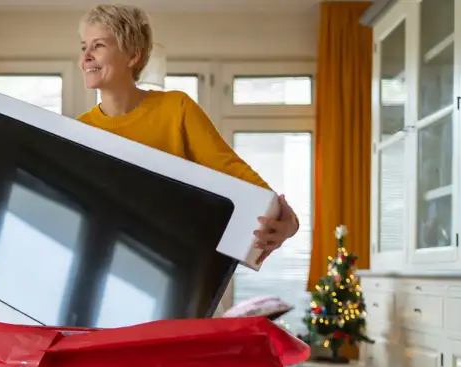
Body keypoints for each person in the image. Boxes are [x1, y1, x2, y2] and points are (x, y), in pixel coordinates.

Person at [77, 4, 299, 262]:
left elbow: (234, 171)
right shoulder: (79, 130)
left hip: (178, 267)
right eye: (84, 47)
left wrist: (288, 222)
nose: (86, 58)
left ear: (132, 55)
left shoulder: (176, 109)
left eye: (98, 46)